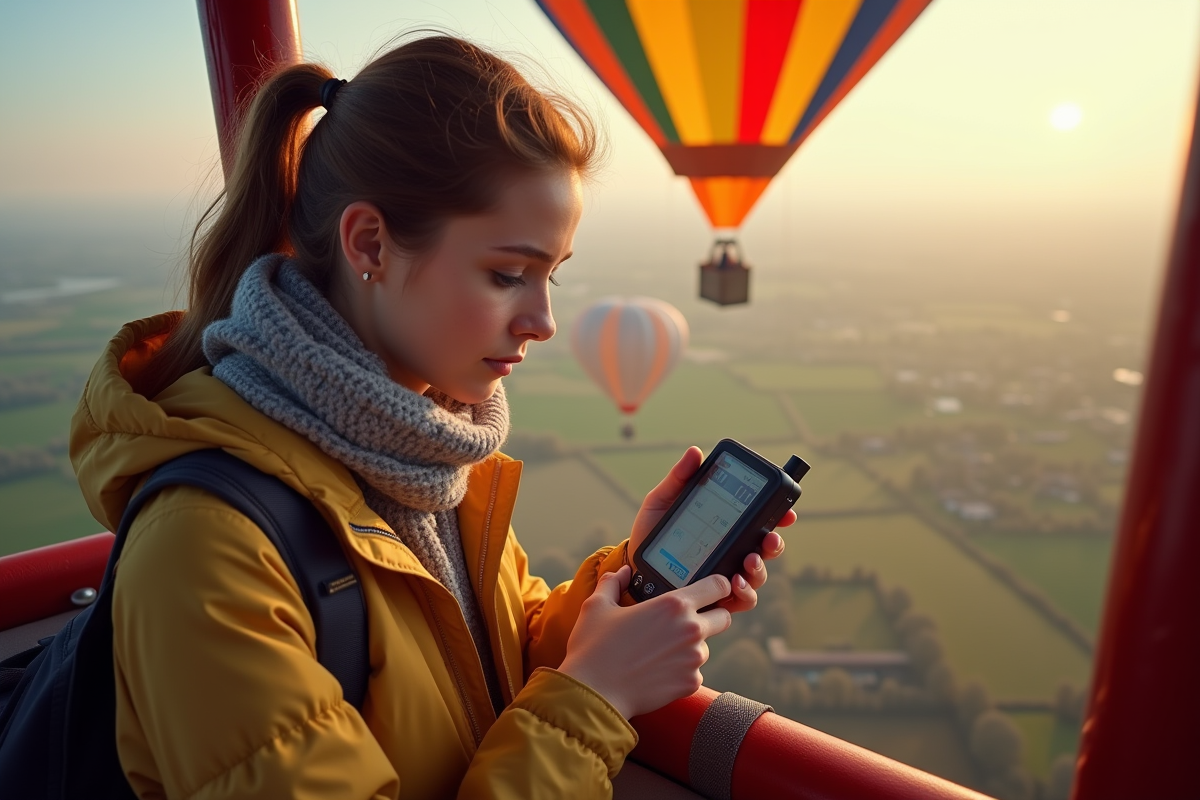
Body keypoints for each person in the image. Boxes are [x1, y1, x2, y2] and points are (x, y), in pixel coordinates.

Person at [69, 35, 793, 799]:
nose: (542, 321)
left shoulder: (428, 450)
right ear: (369, 243)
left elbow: (481, 658)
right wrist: (595, 700)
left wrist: (628, 582)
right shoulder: (206, 545)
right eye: (507, 274)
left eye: (551, 275)